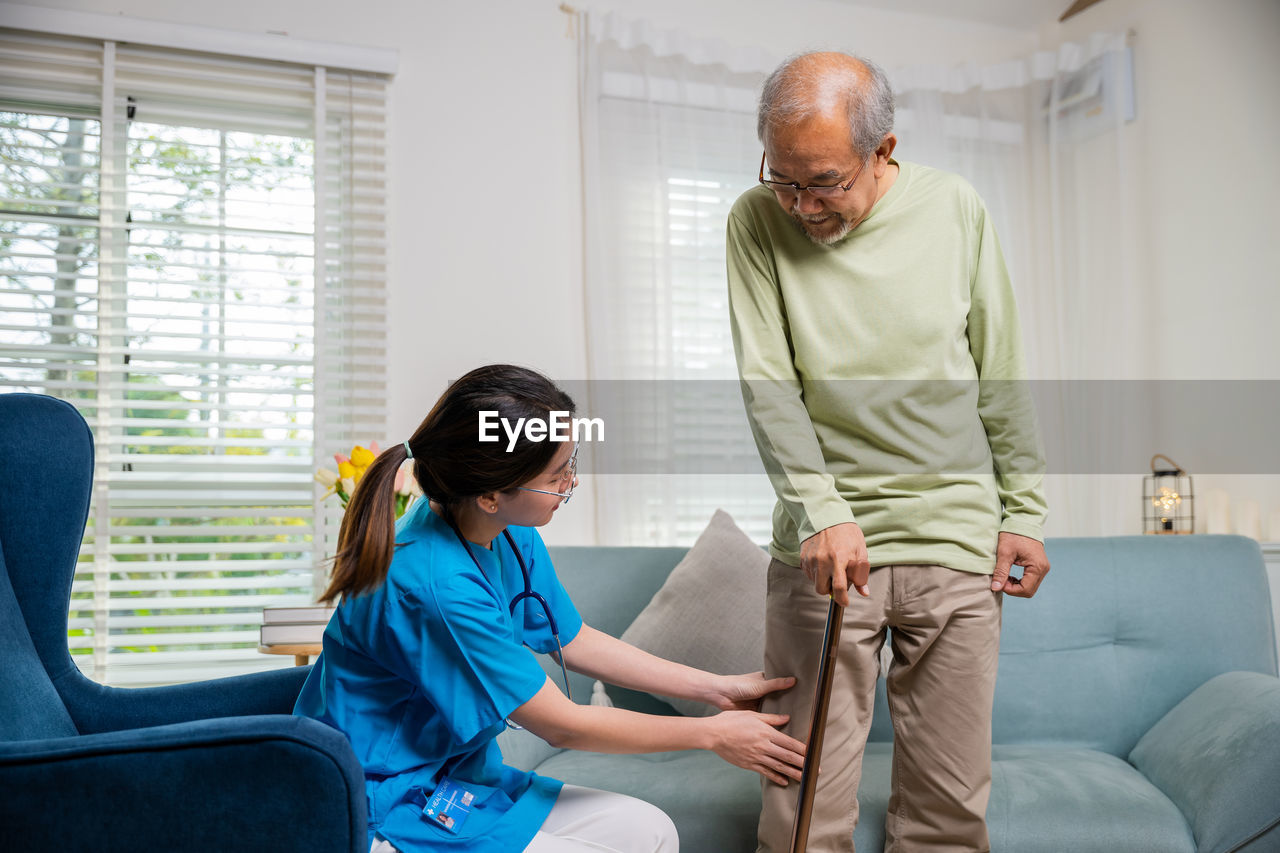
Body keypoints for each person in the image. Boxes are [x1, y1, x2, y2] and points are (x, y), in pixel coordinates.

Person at [725, 53, 1051, 852]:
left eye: (825, 182)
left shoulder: (956, 210)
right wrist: (824, 512)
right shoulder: (753, 221)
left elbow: (998, 370)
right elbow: (770, 386)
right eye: (784, 179)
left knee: (947, 812)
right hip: (826, 551)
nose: (802, 206)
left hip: (957, 543)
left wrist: (1026, 510)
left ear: (885, 149)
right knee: (803, 809)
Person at [294, 364, 807, 853]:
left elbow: (572, 637)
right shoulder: (434, 585)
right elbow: (562, 725)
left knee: (648, 831)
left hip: (459, 778)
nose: (571, 484)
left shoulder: (507, 530)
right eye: (557, 475)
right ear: (492, 494)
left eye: (571, 463)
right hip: (384, 800)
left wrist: (716, 689)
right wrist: (711, 734)